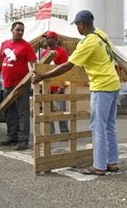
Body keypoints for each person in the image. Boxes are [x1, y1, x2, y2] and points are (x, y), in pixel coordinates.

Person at [32, 10, 120, 175]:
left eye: (77, 25)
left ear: (81, 24)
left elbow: (68, 65)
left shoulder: (88, 42)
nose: (77, 29)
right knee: (109, 125)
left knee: (98, 127)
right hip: (114, 83)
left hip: (102, 86)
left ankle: (99, 166)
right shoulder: (102, 34)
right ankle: (112, 162)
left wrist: (43, 75)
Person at [0, 21, 37, 151]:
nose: (20, 32)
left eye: (22, 30)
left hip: (21, 85)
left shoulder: (26, 46)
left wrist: (38, 77)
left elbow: (34, 64)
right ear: (12, 30)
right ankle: (12, 136)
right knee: (9, 112)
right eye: (18, 30)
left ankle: (23, 140)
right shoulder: (5, 44)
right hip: (8, 84)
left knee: (23, 112)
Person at [41, 31, 69, 134]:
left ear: (56, 40)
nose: (47, 39)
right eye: (46, 38)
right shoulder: (44, 54)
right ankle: (50, 133)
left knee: (60, 111)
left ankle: (64, 131)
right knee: (48, 111)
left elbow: (66, 70)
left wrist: (63, 86)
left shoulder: (62, 52)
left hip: (58, 87)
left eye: (49, 37)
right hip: (47, 87)